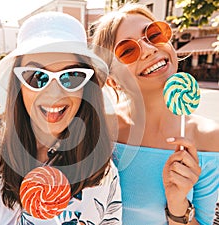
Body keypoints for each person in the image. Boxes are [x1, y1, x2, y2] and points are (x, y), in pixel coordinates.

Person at [0, 12, 122, 224]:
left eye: (71, 77)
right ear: (19, 85)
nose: (54, 94)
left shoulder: (104, 174)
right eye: (36, 76)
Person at [92, 2, 219, 225]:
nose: (150, 49)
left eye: (154, 34)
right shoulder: (101, 130)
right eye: (128, 50)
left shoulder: (209, 138)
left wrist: (178, 206)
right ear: (112, 78)